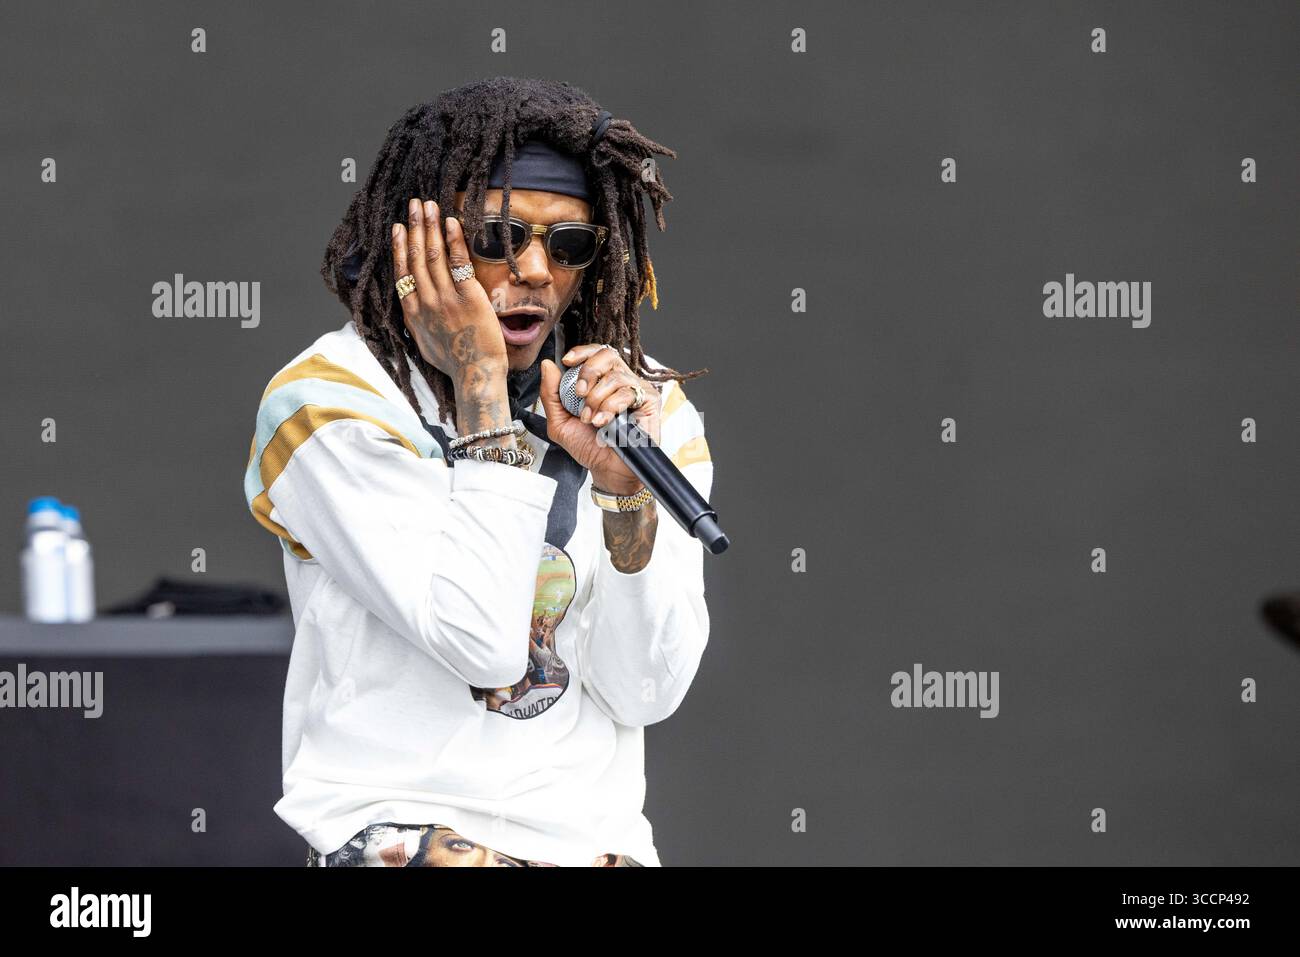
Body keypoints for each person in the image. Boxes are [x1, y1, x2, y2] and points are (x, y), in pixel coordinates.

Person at [242, 77, 714, 867]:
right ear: (417, 243)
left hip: (593, 846)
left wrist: (625, 493)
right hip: (402, 832)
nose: (534, 270)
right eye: (498, 237)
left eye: (568, 245)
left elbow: (646, 690)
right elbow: (481, 644)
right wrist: (483, 393)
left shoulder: (640, 408)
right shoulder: (330, 401)